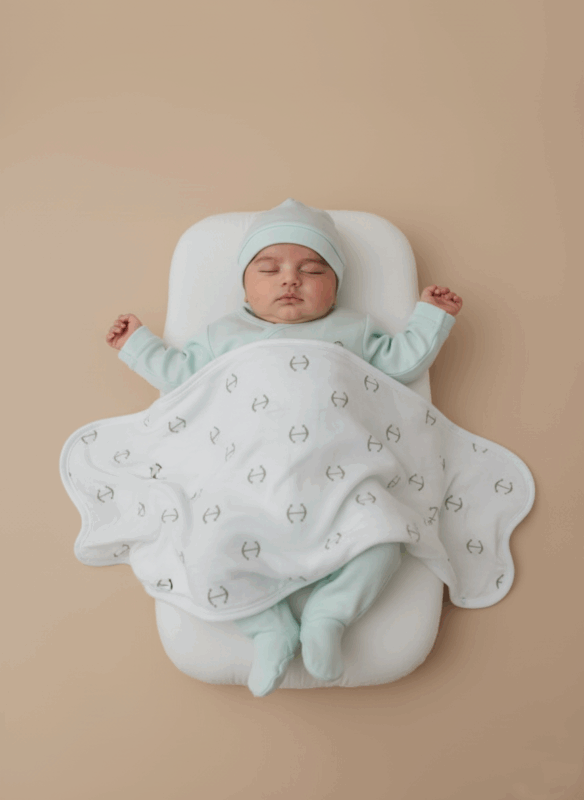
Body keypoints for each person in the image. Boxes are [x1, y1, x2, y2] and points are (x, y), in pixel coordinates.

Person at [105, 199, 463, 697]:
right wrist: (138, 346)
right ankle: (268, 626)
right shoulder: (224, 335)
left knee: (387, 536)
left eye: (312, 269)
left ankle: (330, 614)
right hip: (242, 481)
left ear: (335, 284)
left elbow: (399, 364)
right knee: (202, 548)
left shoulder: (352, 330)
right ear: (245, 285)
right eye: (269, 269)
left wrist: (431, 317)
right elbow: (181, 377)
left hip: (339, 475)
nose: (289, 280)